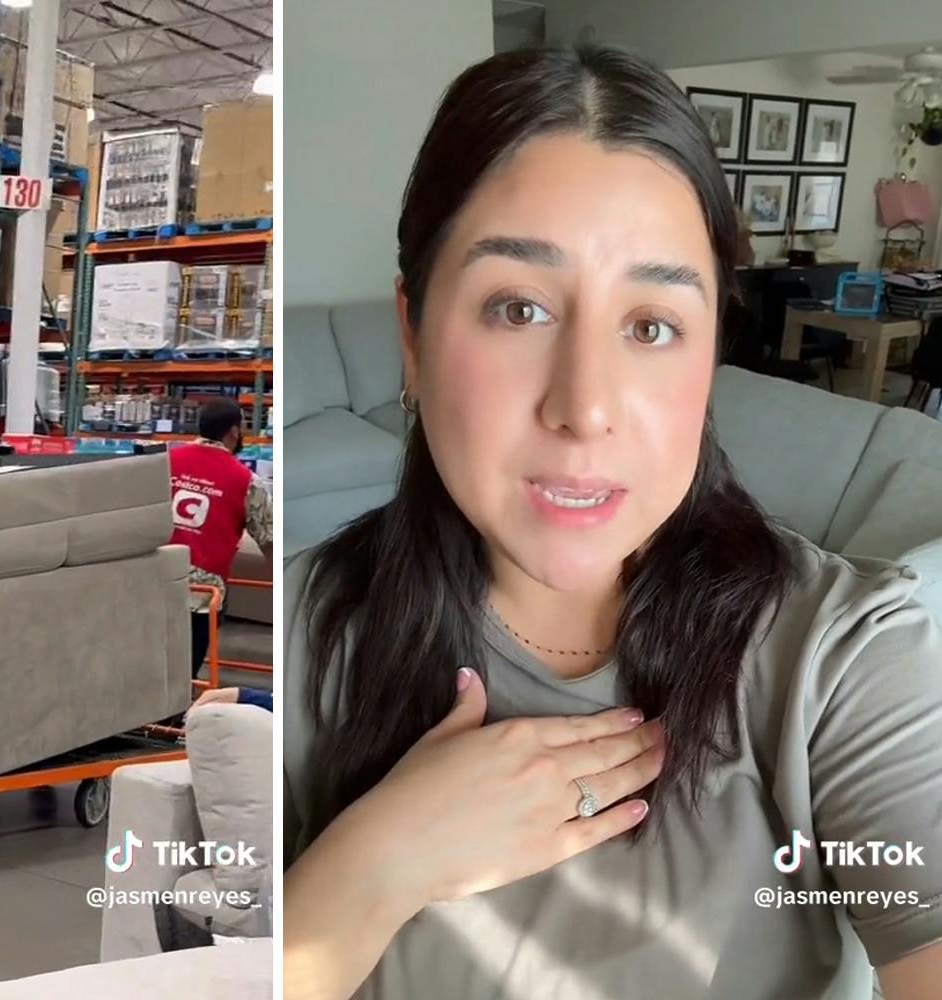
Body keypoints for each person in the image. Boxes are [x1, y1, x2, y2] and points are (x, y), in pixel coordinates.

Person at [281, 46, 942, 999]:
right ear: (413, 338)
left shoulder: (844, 666)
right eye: (518, 308)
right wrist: (369, 869)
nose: (584, 407)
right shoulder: (302, 643)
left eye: (651, 325)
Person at [168, 399, 275, 680]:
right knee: (184, 670)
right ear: (234, 432)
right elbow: (270, 541)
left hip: (152, 583)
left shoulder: (164, 462)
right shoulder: (247, 482)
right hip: (201, 595)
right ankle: (174, 717)